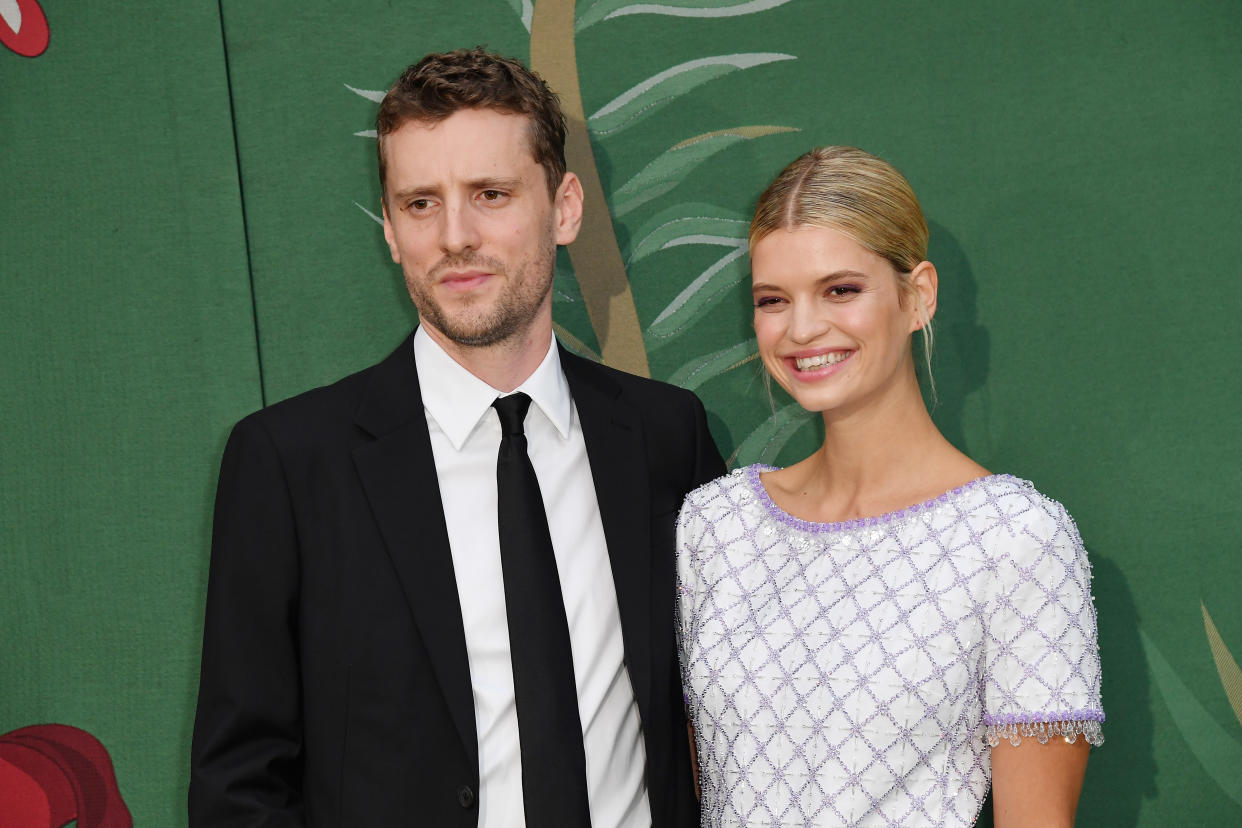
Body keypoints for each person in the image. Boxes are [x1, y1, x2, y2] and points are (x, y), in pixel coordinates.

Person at [190, 47, 723, 827]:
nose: (456, 236)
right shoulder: (290, 464)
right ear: (391, 230)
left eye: (491, 194)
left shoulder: (663, 437)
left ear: (565, 206)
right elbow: (239, 782)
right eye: (420, 203)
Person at [675, 146, 1103, 827]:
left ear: (919, 295)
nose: (803, 328)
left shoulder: (1017, 539)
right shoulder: (715, 526)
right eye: (772, 300)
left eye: (840, 290)